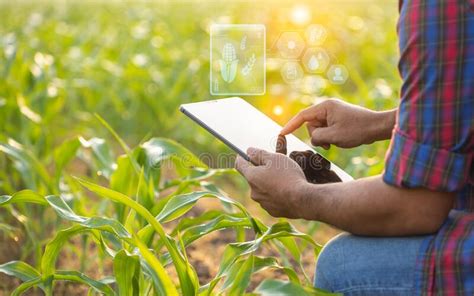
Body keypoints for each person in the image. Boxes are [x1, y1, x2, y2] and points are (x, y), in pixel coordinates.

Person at [235, 0, 473, 294]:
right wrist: (380, 123)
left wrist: (297, 195)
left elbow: (416, 207)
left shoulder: (436, 7)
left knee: (343, 265)